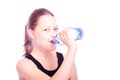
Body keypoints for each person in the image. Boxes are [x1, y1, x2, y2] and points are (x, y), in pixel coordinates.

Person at [16, 8, 78, 80]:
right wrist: (72, 49)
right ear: (32, 34)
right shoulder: (24, 65)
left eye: (55, 29)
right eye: (46, 30)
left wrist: (71, 51)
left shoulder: (66, 58)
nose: (54, 34)